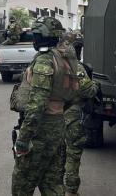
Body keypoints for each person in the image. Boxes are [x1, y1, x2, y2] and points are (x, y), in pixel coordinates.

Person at [11, 16, 81, 196]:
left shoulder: (44, 60)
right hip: (57, 124)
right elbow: (72, 95)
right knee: (52, 182)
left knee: (22, 184)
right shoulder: (65, 58)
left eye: (37, 35)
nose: (34, 39)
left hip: (40, 129)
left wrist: (24, 138)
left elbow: (37, 104)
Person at [60, 32, 99, 196]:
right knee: (73, 153)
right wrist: (96, 84)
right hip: (72, 115)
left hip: (52, 116)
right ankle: (70, 190)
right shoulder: (76, 66)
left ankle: (55, 187)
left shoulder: (49, 63)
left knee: (57, 153)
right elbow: (88, 90)